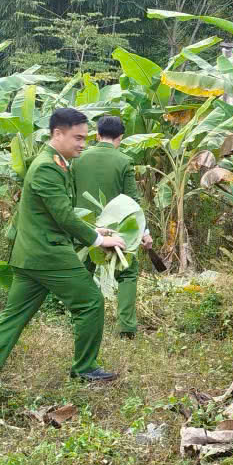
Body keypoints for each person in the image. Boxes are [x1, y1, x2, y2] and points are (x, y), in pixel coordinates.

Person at [0, 108, 126, 384]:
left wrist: (93, 229)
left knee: (14, 316)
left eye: (85, 138)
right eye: (77, 138)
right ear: (58, 133)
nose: (83, 144)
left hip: (31, 255)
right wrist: (99, 240)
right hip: (48, 254)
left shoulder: (55, 162)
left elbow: (53, 213)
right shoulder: (47, 166)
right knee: (90, 302)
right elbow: (63, 216)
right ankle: (85, 368)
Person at [71, 115, 152, 338]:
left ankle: (80, 319)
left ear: (97, 135)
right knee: (127, 273)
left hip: (83, 226)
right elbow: (132, 200)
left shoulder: (78, 159)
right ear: (121, 137)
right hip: (116, 229)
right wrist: (144, 232)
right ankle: (126, 327)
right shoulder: (123, 161)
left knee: (83, 271)